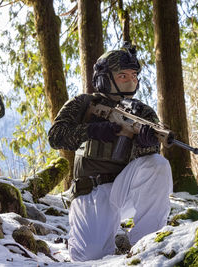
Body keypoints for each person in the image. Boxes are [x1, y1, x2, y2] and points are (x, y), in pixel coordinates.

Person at [48, 43, 173, 262]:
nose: (132, 80)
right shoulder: (84, 103)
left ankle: (144, 248)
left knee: (158, 165)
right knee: (90, 256)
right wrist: (94, 130)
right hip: (91, 191)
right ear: (105, 78)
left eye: (134, 75)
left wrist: (146, 143)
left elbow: (147, 162)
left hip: (125, 189)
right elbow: (56, 135)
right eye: (123, 75)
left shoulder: (142, 112)